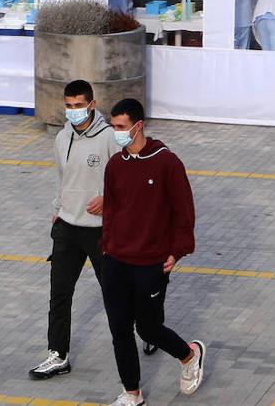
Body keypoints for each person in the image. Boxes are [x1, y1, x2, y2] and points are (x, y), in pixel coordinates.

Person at [100, 98, 205, 406]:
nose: (116, 133)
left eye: (121, 127)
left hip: (151, 263)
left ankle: (189, 354)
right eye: (113, 126)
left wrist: (178, 251)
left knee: (147, 328)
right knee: (119, 328)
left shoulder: (166, 162)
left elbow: (183, 211)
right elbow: (111, 210)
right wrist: (106, 247)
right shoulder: (115, 165)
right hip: (115, 260)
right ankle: (131, 393)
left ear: (138, 126)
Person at [29, 80, 114, 381]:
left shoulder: (109, 138)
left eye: (78, 106)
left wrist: (108, 198)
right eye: (69, 106)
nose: (73, 111)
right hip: (67, 227)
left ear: (91, 105)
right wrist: (57, 211)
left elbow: (127, 178)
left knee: (116, 295)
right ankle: (58, 354)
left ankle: (147, 331)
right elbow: (63, 179)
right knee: (59, 294)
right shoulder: (62, 138)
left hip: (100, 231)